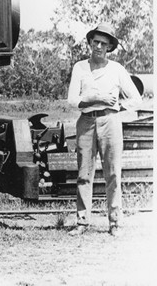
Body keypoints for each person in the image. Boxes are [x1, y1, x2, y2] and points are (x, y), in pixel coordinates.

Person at [66, 23, 141, 236]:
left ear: (109, 47)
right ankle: (82, 222)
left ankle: (115, 222)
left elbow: (136, 98)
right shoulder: (80, 67)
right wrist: (93, 98)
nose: (98, 46)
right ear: (90, 43)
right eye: (95, 42)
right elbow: (72, 100)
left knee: (113, 174)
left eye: (103, 44)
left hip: (110, 123)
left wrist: (117, 106)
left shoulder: (116, 69)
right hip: (86, 122)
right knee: (83, 174)